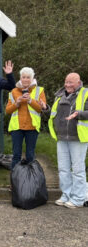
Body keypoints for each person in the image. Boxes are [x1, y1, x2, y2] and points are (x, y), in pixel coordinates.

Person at [49, 73, 88, 209]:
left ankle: (78, 198)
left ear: (78, 83)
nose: (68, 85)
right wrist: (45, 108)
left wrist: (79, 114)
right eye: (66, 82)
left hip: (78, 138)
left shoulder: (85, 93)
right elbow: (55, 114)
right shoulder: (60, 95)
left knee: (77, 169)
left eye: (71, 82)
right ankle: (66, 194)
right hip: (61, 137)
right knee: (63, 169)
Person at [5, 67, 46, 169]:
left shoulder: (39, 90)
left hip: (32, 127)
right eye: (23, 77)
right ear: (20, 78)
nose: (26, 79)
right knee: (16, 155)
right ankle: (15, 179)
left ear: (32, 79)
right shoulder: (14, 91)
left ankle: (30, 180)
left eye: (28, 77)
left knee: (30, 155)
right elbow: (8, 110)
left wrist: (30, 100)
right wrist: (17, 103)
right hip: (17, 128)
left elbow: (41, 109)